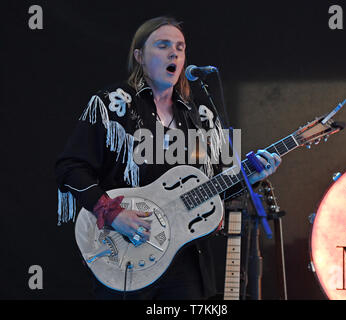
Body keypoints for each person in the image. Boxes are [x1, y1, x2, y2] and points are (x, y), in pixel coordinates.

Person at [55, 16, 281, 300]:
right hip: (129, 252)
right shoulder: (112, 104)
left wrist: (251, 176)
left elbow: (215, 186)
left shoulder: (200, 116)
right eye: (163, 45)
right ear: (139, 56)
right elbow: (70, 167)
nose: (174, 52)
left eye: (180, 47)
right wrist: (112, 213)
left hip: (186, 260)